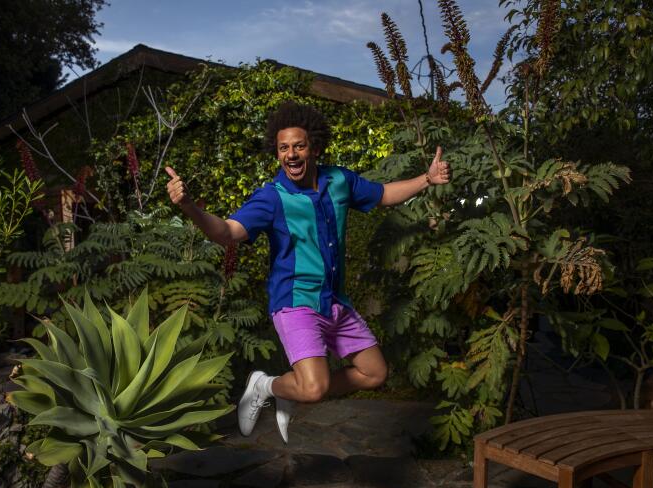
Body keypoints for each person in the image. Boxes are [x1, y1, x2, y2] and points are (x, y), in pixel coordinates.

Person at [166, 101, 450, 443]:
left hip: (334, 302)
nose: (291, 155)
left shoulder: (340, 180)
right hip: (295, 303)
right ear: (277, 153)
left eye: (298, 146)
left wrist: (427, 179)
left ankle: (291, 389)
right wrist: (189, 207)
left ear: (313, 146)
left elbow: (384, 194)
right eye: (283, 148)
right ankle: (267, 386)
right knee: (315, 388)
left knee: (375, 373)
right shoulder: (272, 198)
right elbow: (226, 233)